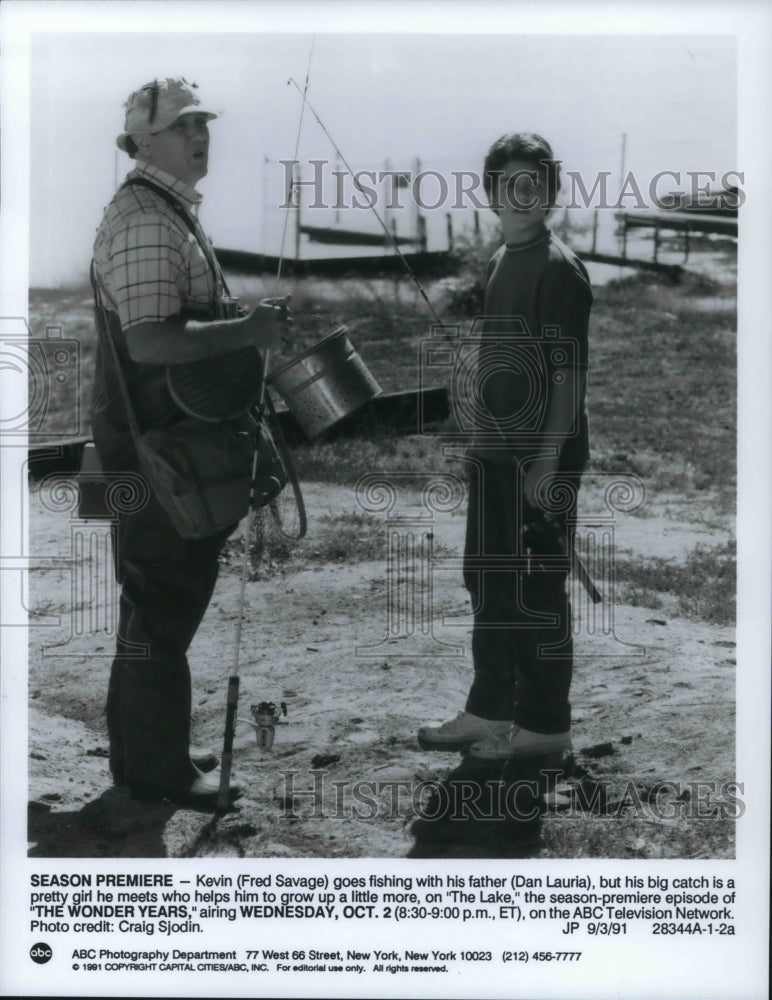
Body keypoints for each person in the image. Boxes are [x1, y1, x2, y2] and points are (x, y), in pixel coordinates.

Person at [91, 77, 288, 805]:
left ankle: (148, 751)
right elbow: (147, 342)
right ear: (143, 141)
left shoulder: (165, 209)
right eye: (181, 125)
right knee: (163, 598)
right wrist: (250, 331)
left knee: (154, 599)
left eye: (202, 121)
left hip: (159, 442)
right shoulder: (148, 218)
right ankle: (157, 771)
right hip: (153, 448)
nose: (198, 134)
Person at [418, 132, 592, 761]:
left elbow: (570, 377)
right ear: (491, 193)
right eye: (509, 184)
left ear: (550, 189)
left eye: (534, 183)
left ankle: (546, 727)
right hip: (492, 453)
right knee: (488, 583)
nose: (522, 195)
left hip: (539, 460)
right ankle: (490, 710)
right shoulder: (499, 261)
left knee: (535, 589)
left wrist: (547, 462)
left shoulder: (560, 269)